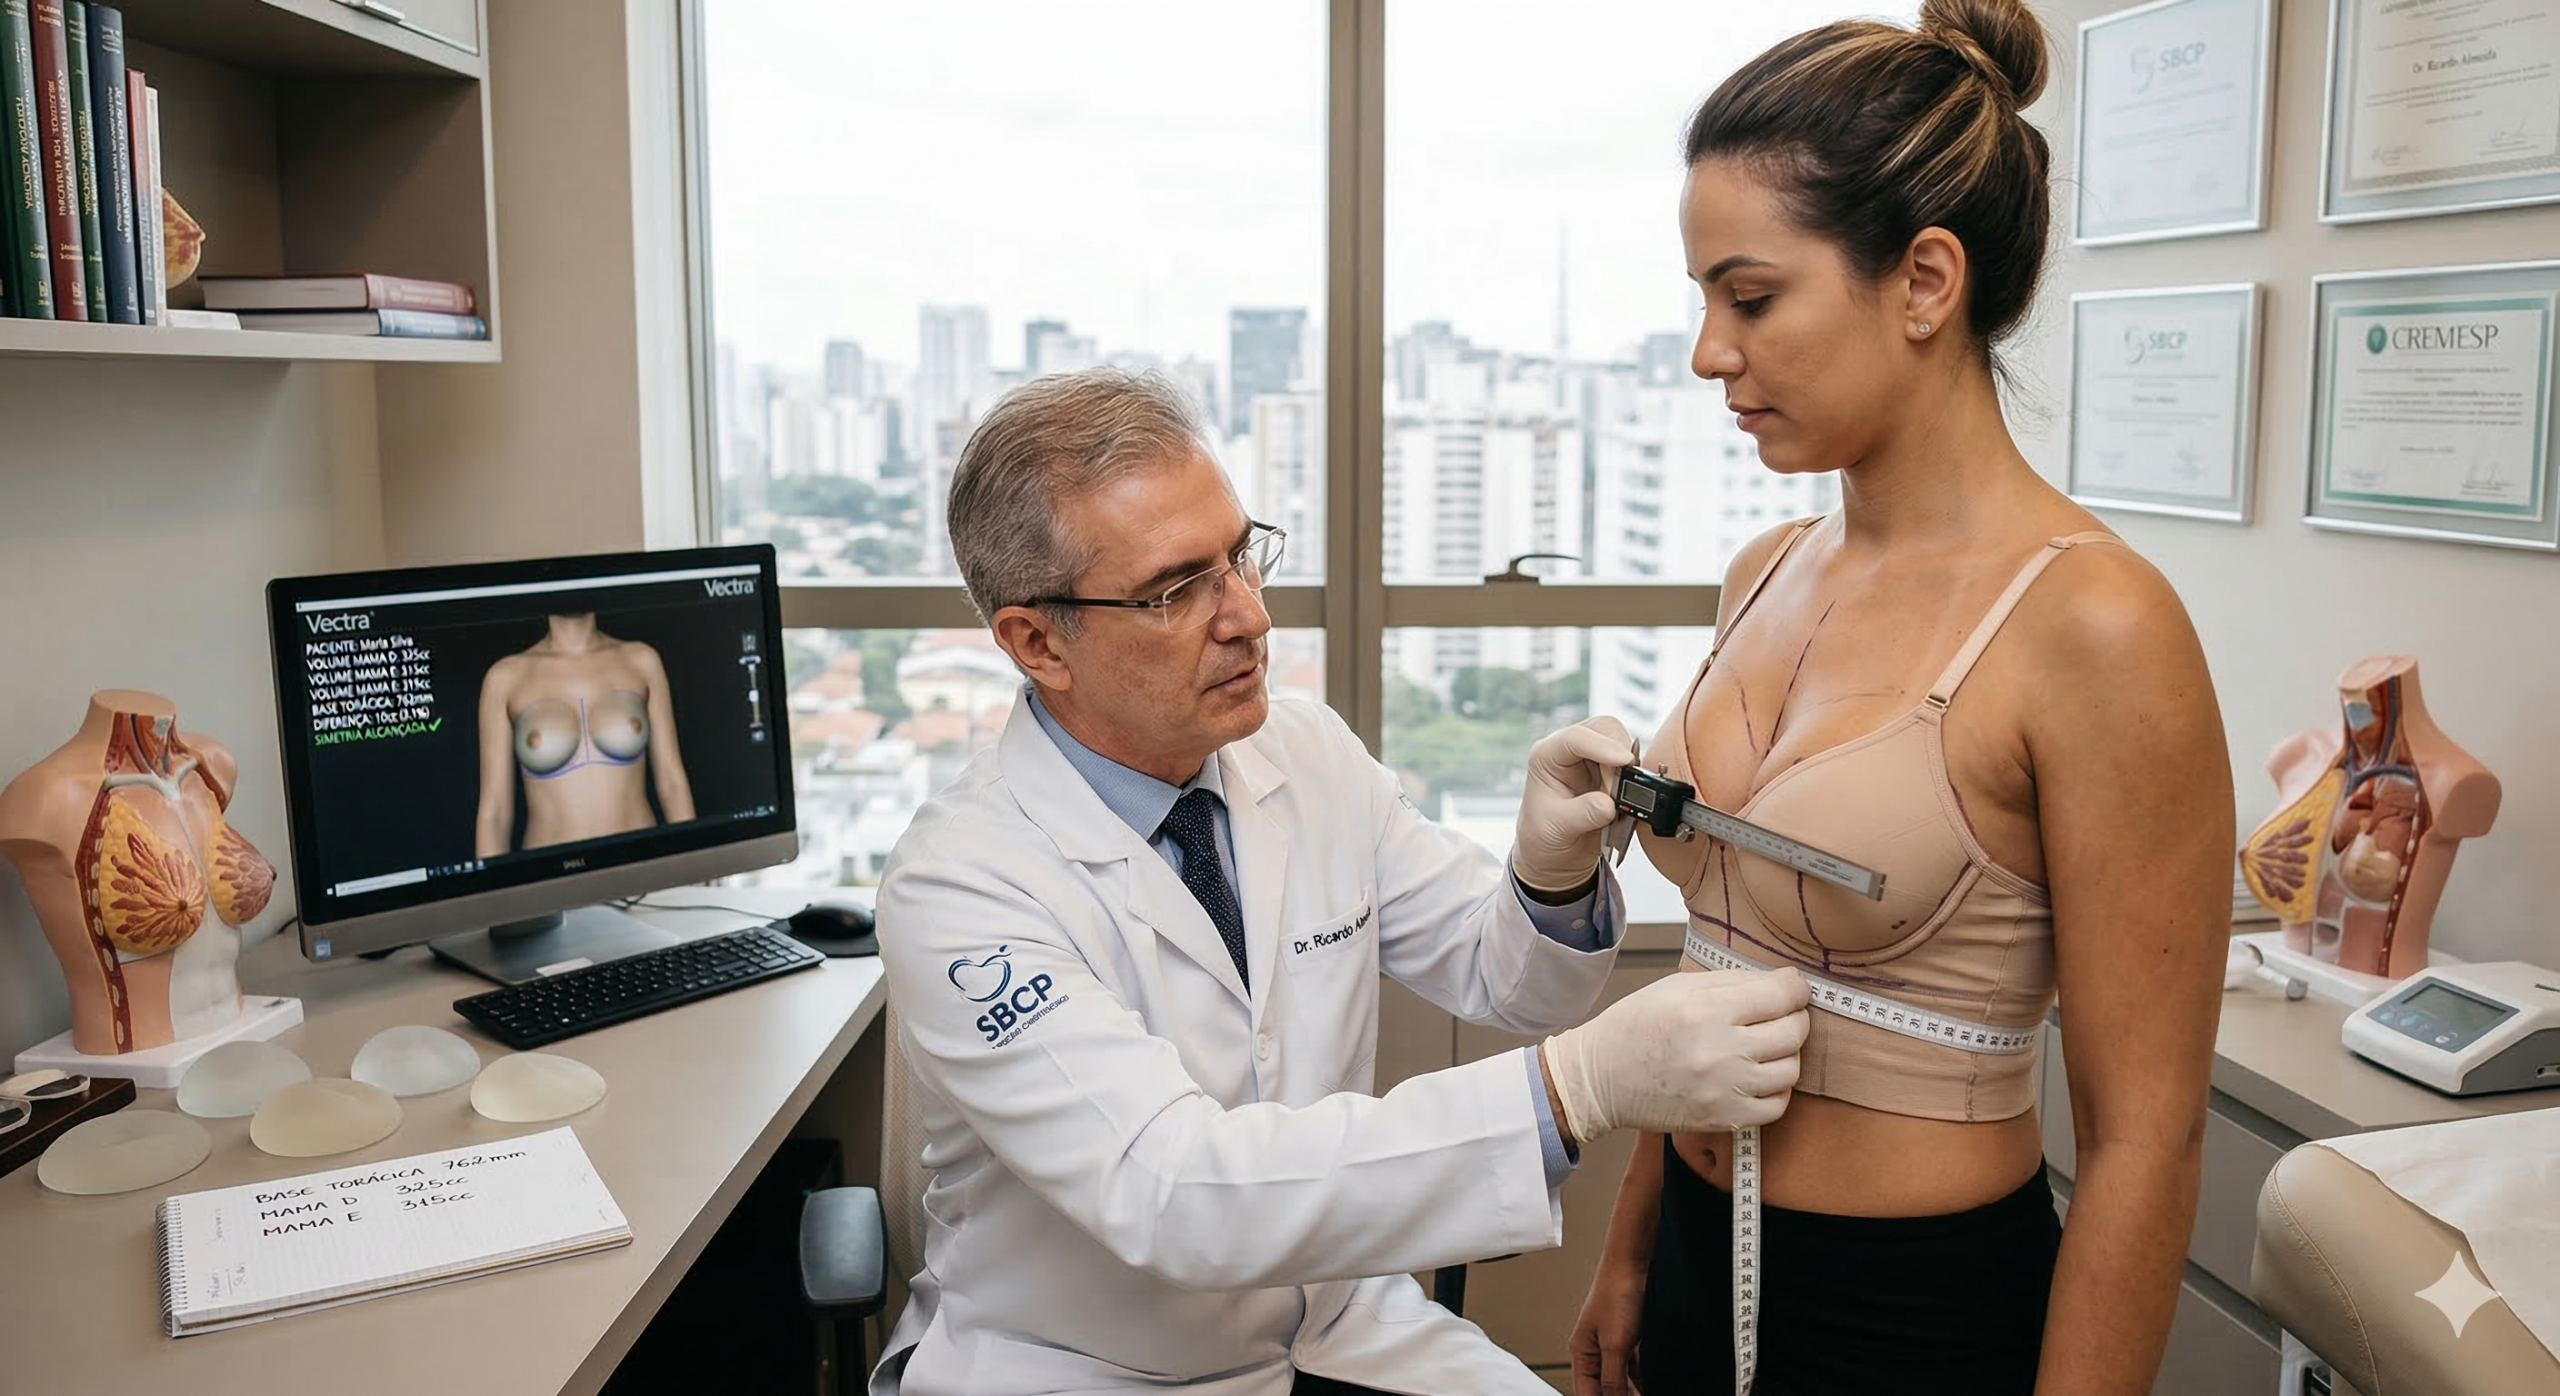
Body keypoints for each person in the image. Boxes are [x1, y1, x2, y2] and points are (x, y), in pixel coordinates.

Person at [871, 369, 1814, 1396]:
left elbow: (1517, 986)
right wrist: (1570, 1089)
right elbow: (1176, 1193)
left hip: (1340, 1321)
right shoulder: (961, 887)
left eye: (1239, 557)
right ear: (1035, 641)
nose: (1245, 617)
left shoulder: (1302, 751)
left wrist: (1548, 875)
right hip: (1083, 1365)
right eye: (1174, 590)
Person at [1568, 3, 2235, 1394]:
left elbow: (2143, 1143)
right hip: (1696, 1249)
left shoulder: (2096, 628)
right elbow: (1724, 966)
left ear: (1925, 281)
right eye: (1702, 298)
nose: (1707, 351)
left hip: (1912, 1322)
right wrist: (1630, 1253)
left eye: (1748, 299)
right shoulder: (1765, 572)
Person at [473, 613, 694, 855]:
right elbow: (495, 813)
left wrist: (693, 870)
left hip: (643, 870)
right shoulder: (505, 678)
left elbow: (672, 782)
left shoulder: (641, 660)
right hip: (550, 879)